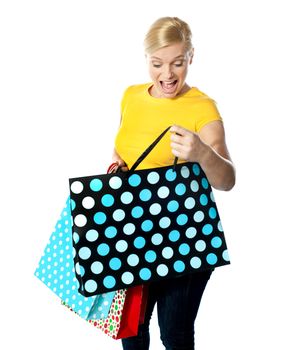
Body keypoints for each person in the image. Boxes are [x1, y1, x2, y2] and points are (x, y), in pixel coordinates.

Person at [111, 16, 236, 350]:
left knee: (174, 333)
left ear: (190, 58)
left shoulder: (202, 108)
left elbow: (227, 179)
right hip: (134, 233)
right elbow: (123, 149)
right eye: (157, 64)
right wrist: (116, 167)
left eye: (177, 63)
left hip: (184, 237)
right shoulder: (131, 96)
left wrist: (201, 152)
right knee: (131, 331)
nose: (167, 75)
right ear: (147, 60)